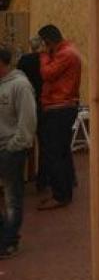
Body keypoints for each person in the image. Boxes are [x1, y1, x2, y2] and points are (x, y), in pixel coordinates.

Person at [36, 24, 81, 210]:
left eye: (43, 43)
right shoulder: (69, 50)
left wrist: (44, 55)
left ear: (48, 41)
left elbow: (47, 74)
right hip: (63, 106)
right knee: (62, 151)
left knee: (54, 153)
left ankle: (60, 195)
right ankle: (64, 190)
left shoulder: (65, 54)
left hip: (59, 107)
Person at [0, 47, 38, 259]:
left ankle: (9, 241)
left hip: (11, 150)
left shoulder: (20, 86)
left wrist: (15, 145)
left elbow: (28, 120)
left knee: (12, 197)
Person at [16, 37, 44, 191]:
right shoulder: (46, 59)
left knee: (25, 139)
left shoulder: (24, 60)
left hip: (27, 102)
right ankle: (42, 179)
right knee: (44, 141)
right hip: (43, 103)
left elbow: (18, 77)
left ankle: (23, 175)